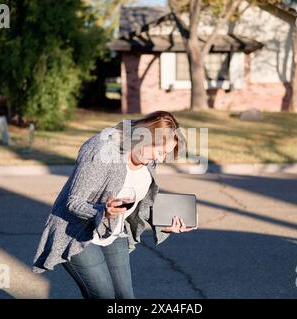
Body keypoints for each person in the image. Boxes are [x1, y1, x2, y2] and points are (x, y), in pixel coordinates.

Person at [32, 110, 197, 299]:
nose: (160, 159)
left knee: (125, 298)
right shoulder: (101, 150)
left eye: (164, 154)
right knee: (104, 295)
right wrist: (103, 212)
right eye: (160, 152)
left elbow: (139, 201)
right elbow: (73, 202)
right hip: (77, 233)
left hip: (113, 231)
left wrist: (163, 224)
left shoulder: (147, 159)